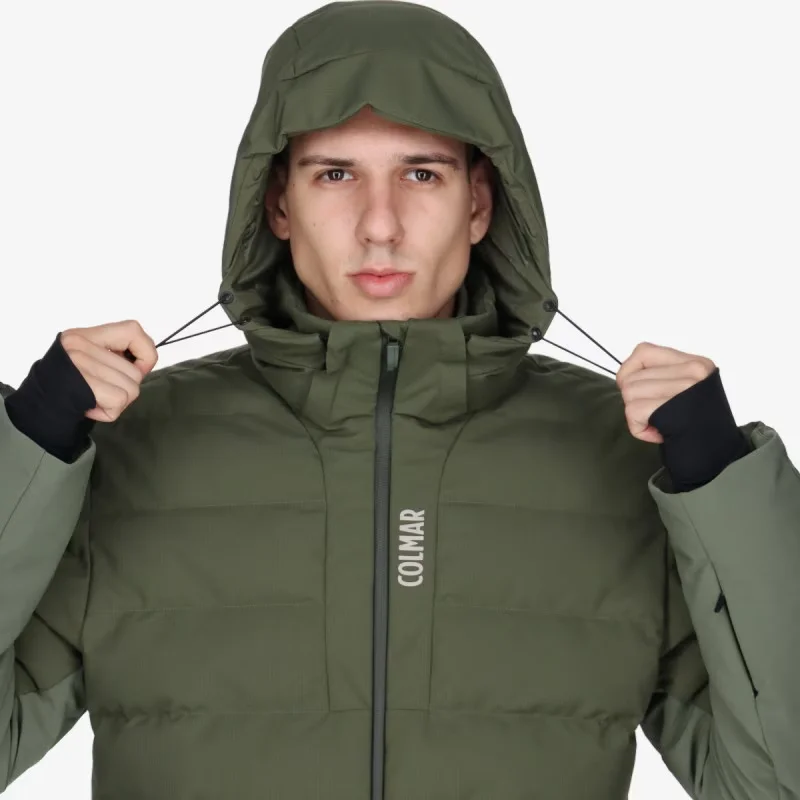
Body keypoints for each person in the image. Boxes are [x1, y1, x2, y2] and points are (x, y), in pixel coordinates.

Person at [1, 1, 798, 798]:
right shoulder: (134, 447)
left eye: (422, 174)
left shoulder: (622, 455)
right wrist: (26, 447)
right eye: (335, 174)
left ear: (479, 203)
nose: (379, 226)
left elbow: (771, 780)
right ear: (278, 204)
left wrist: (721, 484)